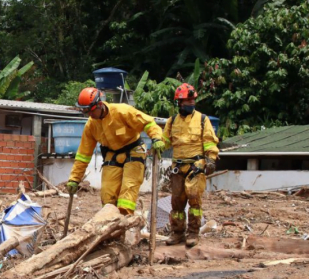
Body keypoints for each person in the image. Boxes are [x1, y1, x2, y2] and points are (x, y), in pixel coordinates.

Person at [66, 87, 165, 215]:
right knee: (108, 198)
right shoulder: (91, 125)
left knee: (127, 196)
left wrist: (156, 138)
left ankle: (125, 223)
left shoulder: (122, 111)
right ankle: (110, 227)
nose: (89, 115)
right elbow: (83, 155)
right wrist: (74, 179)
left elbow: (148, 123)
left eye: (90, 111)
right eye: (85, 112)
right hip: (112, 155)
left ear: (100, 105)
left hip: (134, 151)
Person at [163, 83, 219, 247]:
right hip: (178, 168)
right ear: (179, 103)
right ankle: (177, 233)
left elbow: (209, 142)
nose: (191, 104)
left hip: (196, 166)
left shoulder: (202, 120)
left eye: (192, 100)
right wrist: (157, 145)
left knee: (194, 199)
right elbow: (165, 141)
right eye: (187, 101)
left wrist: (210, 159)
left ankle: (193, 233)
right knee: (176, 202)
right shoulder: (172, 122)